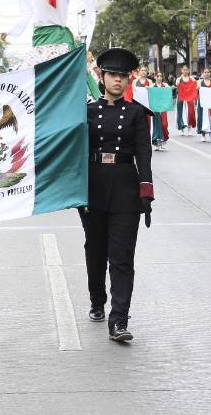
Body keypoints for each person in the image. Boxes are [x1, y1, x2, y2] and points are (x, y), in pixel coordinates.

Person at [81, 47, 154, 342]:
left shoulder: (137, 113)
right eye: (112, 75)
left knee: (122, 257)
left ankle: (119, 320)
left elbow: (144, 153)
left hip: (125, 188)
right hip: (94, 187)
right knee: (96, 251)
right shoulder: (86, 112)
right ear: (101, 76)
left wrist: (146, 191)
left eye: (123, 76)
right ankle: (97, 300)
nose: (118, 80)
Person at [148, 71, 170, 151]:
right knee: (156, 125)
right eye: (158, 76)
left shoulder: (165, 85)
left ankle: (163, 140)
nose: (159, 78)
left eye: (161, 76)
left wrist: (172, 88)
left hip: (163, 107)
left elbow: (169, 92)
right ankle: (157, 142)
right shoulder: (152, 86)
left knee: (164, 124)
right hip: (155, 107)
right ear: (155, 77)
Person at [196, 67, 211, 143]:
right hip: (202, 103)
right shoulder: (199, 81)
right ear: (203, 73)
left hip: (210, 103)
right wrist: (198, 88)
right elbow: (196, 89)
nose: (206, 73)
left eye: (208, 72)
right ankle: (203, 135)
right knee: (202, 118)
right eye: (205, 72)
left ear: (210, 73)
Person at [174, 65, 197, 136]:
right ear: (181, 70)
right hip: (181, 97)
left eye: (186, 70)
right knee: (180, 113)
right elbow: (177, 84)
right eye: (184, 70)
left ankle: (189, 128)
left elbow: (195, 84)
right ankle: (181, 129)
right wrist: (179, 80)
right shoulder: (179, 78)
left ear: (188, 70)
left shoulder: (191, 78)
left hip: (189, 98)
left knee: (190, 113)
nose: (185, 71)